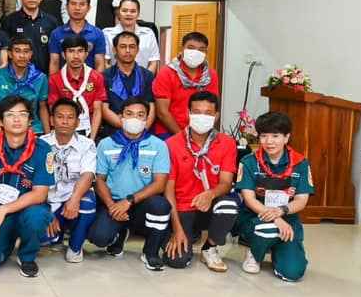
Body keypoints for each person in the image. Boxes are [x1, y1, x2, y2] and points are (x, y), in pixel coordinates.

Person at [0, 96, 54, 278]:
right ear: (0, 122)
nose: (17, 119)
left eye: (22, 114)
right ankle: (4, 245)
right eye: (10, 115)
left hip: (27, 211)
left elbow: (40, 194)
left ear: (30, 121)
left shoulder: (43, 149)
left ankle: (27, 256)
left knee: (37, 217)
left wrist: (5, 209)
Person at [87, 97, 171, 271]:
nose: (135, 119)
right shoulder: (105, 144)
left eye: (140, 115)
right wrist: (112, 206)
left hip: (143, 204)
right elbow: (99, 180)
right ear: (121, 117)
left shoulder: (158, 145)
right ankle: (120, 232)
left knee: (161, 205)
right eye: (129, 114)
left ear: (147, 119)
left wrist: (129, 201)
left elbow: (160, 184)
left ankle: (151, 252)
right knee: (99, 237)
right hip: (114, 202)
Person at [164, 92, 238, 272]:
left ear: (216, 116)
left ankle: (209, 248)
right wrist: (177, 229)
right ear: (188, 113)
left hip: (211, 205)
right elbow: (168, 190)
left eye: (208, 113)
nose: (202, 117)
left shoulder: (227, 143)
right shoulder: (172, 144)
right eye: (196, 112)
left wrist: (211, 194)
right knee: (177, 261)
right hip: (182, 208)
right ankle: (186, 233)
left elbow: (226, 182)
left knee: (229, 205)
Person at [234, 112, 313, 282]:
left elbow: (301, 200)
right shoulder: (248, 161)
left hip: (287, 219)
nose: (269, 142)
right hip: (255, 218)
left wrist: (282, 211)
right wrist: (276, 218)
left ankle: (278, 248)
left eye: (275, 136)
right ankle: (255, 253)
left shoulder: (300, 163)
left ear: (286, 137)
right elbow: (249, 199)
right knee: (268, 228)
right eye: (264, 136)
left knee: (292, 272)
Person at [40, 99, 97, 263]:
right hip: (47, 200)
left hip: (73, 199)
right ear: (52, 120)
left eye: (70, 117)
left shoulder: (87, 144)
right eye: (60, 117)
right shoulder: (41, 144)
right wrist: (45, 210)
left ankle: (75, 247)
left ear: (77, 122)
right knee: (42, 238)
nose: (65, 121)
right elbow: (34, 180)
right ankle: (56, 236)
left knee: (87, 202)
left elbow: (88, 175)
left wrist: (74, 199)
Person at [152, 31, 220, 137]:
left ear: (206, 53)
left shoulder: (211, 75)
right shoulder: (167, 73)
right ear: (182, 49)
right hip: (169, 131)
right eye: (191, 48)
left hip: (200, 132)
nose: (196, 52)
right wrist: (183, 138)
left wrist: (202, 133)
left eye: (201, 49)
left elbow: (214, 108)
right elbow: (162, 112)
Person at [48, 36, 107, 140]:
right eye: (71, 51)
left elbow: (97, 110)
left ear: (86, 54)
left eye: (80, 51)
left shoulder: (97, 77)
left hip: (91, 130)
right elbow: (54, 110)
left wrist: (91, 140)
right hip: (64, 131)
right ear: (63, 55)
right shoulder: (55, 79)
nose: (76, 56)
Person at [101, 31, 156, 138]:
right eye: (123, 46)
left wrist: (141, 129)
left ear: (137, 50)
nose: (127, 50)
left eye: (132, 47)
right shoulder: (105, 76)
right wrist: (129, 127)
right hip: (114, 133)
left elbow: (152, 108)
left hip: (143, 133)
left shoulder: (147, 75)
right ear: (114, 50)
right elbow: (104, 109)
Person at [0, 38, 50, 135]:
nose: (22, 56)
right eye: (17, 51)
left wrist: (48, 135)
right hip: (7, 128)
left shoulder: (40, 77)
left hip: (34, 129)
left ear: (31, 54)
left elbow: (42, 107)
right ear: (10, 54)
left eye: (26, 51)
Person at [4, 0, 60, 75]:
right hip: (16, 79)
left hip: (44, 78)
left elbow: (55, 57)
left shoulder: (51, 22)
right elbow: (5, 54)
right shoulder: (9, 21)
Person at [48, 0, 107, 74]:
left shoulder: (97, 34)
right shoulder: (56, 33)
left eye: (82, 4)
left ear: (88, 8)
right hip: (63, 81)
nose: (77, 8)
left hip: (90, 81)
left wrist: (97, 82)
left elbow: (99, 63)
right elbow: (54, 62)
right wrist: (53, 82)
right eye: (73, 4)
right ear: (66, 7)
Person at [102, 0, 159, 71]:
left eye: (133, 11)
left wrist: (145, 77)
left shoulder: (148, 34)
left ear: (138, 14)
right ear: (119, 13)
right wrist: (114, 77)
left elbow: (153, 62)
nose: (128, 14)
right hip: (115, 77)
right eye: (124, 11)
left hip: (143, 77)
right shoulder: (107, 34)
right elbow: (106, 62)